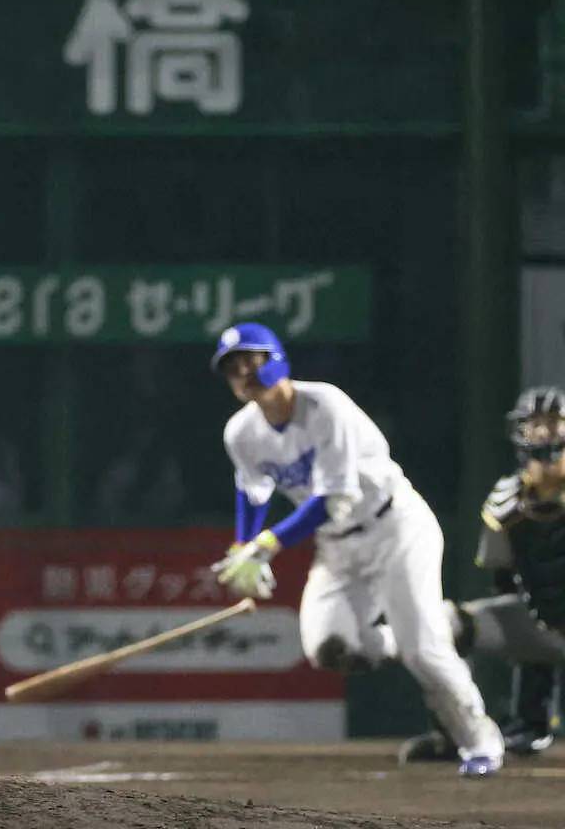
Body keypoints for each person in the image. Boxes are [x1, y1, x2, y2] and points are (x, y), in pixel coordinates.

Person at [207, 322, 505, 777]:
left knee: (424, 652)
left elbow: (334, 500)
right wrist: (242, 544)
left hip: (396, 528)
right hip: (338, 547)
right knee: (329, 647)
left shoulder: (324, 405)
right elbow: (253, 489)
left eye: (251, 360)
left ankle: (481, 742)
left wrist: (267, 544)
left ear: (276, 358)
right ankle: (422, 628)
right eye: (233, 367)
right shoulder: (241, 432)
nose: (243, 372)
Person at [400, 385, 565, 764]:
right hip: (543, 624)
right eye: (536, 424)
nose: (544, 433)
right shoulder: (506, 500)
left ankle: (532, 719)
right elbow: (506, 582)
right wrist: (528, 654)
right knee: (444, 623)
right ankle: (458, 733)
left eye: (553, 423)